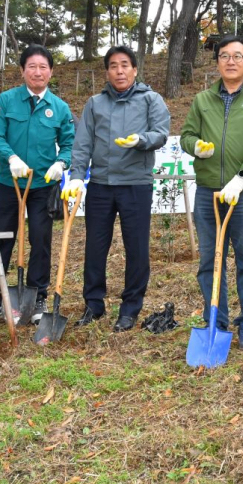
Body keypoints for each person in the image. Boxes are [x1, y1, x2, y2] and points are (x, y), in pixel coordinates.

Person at [180, 35, 243, 350]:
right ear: (217, 62)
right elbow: (187, 135)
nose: (231, 61)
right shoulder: (202, 101)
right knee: (210, 260)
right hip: (208, 192)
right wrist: (196, 147)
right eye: (224, 56)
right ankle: (215, 320)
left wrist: (241, 176)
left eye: (238, 56)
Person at [66, 45, 170, 332]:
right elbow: (83, 143)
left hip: (136, 183)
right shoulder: (95, 104)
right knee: (95, 246)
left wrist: (141, 140)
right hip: (100, 184)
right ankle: (94, 304)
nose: (119, 70)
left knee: (136, 247)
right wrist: (76, 175)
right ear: (107, 71)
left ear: (134, 70)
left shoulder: (151, 99)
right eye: (113, 65)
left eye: (125, 64)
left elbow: (161, 133)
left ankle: (130, 307)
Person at [0, 45, 75, 324]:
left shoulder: (59, 107)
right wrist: (10, 157)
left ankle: (37, 296)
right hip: (9, 183)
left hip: (42, 187)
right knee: (2, 239)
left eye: (43, 67)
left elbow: (70, 143)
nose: (38, 72)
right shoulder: (7, 100)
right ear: (23, 70)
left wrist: (61, 163)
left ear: (51, 72)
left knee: (41, 239)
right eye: (32, 66)